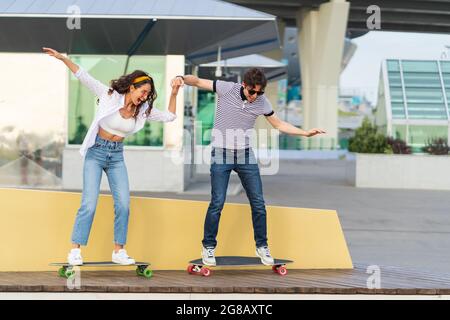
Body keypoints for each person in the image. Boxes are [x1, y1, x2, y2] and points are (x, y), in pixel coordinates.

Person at [172, 68, 326, 266]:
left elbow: (278, 124)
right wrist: (182, 78)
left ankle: (262, 246)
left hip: (245, 154)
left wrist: (304, 133)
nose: (255, 96)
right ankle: (208, 247)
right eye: (252, 92)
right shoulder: (227, 88)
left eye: (259, 93)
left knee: (259, 203)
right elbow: (198, 82)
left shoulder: (263, 102)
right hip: (221, 152)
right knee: (217, 202)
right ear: (244, 86)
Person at [43, 47, 182, 265]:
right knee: (89, 203)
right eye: (142, 92)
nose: (144, 97)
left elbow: (170, 116)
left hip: (116, 156)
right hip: (96, 152)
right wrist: (63, 59)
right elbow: (83, 76)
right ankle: (75, 250)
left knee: (124, 204)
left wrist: (174, 92)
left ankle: (119, 251)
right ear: (132, 87)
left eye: (147, 94)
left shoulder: (143, 110)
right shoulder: (109, 96)